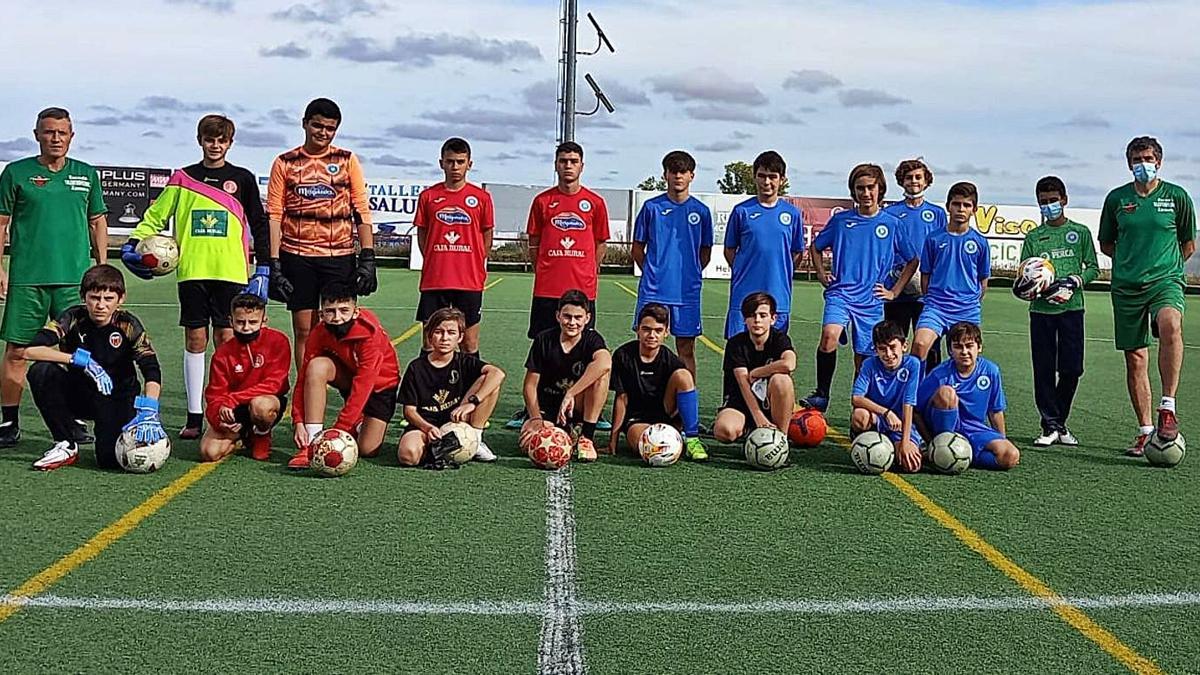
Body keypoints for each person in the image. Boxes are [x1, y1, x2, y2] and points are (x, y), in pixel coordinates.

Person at [122, 114, 270, 439]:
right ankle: (194, 415)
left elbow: (259, 224)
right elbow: (156, 216)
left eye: (221, 140)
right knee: (195, 341)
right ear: (200, 140)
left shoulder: (242, 179)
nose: (215, 145)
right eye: (209, 139)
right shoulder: (183, 178)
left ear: (230, 143)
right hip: (192, 273)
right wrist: (133, 243)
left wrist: (264, 266)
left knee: (227, 342)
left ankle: (232, 410)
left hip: (231, 271)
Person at [0, 107, 108, 448]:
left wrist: (101, 269)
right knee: (18, 351)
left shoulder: (86, 175)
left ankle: (70, 420)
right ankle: (8, 422)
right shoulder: (16, 173)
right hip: (27, 279)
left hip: (74, 281)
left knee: (75, 351)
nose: (56, 138)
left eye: (62, 132)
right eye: (49, 132)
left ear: (72, 136)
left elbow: (97, 222)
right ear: (37, 135)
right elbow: (1, 225)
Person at [1098, 136, 1195, 456]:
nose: (1144, 164)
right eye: (1137, 159)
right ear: (1129, 164)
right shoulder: (1116, 200)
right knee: (1136, 357)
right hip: (1126, 286)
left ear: (1160, 162)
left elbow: (1187, 243)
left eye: (1149, 158)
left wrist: (1163, 268)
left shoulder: (1178, 197)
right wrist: (1132, 263)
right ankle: (1144, 431)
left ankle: (1167, 407)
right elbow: (1107, 244)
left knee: (1169, 324)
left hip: (1165, 280)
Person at [266, 98, 377, 367]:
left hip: (338, 255)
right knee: (304, 329)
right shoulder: (285, 162)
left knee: (341, 327)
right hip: (297, 254)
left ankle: (344, 389)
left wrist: (368, 257)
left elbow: (361, 209)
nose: (323, 133)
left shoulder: (347, 160)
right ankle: (306, 388)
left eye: (330, 128)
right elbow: (274, 215)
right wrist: (274, 263)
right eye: (317, 126)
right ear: (305, 124)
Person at [507, 142, 610, 429]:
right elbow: (534, 243)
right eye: (563, 160)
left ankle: (589, 408)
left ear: (582, 166)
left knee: (585, 351)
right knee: (543, 349)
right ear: (556, 164)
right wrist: (546, 268)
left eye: (574, 161)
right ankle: (534, 408)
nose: (568, 166)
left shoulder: (595, 203)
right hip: (547, 290)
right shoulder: (542, 202)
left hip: (582, 290)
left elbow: (600, 242)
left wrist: (589, 268)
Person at [23, 265, 164, 471]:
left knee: (109, 460)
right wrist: (77, 360)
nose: (101, 305)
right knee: (41, 371)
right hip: (81, 392)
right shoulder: (72, 318)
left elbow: (150, 367)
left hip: (117, 396)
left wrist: (150, 406)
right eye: (94, 298)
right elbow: (29, 350)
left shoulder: (128, 324)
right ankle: (65, 443)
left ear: (121, 299)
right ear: (84, 297)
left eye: (108, 299)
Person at [801, 163, 915, 412]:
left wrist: (894, 291)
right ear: (853, 191)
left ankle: (859, 413)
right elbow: (816, 247)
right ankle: (821, 394)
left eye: (870, 188)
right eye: (860, 188)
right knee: (829, 335)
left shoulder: (893, 224)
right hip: (840, 294)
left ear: (880, 189)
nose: (865, 193)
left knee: (863, 361)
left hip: (871, 300)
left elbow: (912, 260)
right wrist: (821, 274)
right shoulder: (841, 221)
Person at [1020, 176, 1099, 448]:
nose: (1048, 205)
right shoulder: (1033, 237)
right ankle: (1051, 426)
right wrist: (1036, 288)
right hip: (1041, 312)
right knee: (1043, 369)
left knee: (1072, 369)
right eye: (1043, 202)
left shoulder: (1080, 232)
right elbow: (1025, 275)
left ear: (1064, 200)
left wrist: (1076, 281)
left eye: (1053, 200)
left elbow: (1093, 268)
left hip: (1072, 310)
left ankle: (1059, 421)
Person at [289, 282, 400, 468]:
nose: (337, 317)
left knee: (367, 449)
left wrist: (338, 432)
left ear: (355, 311)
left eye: (343, 310)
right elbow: (302, 380)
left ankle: (358, 424)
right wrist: (298, 420)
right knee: (316, 367)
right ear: (321, 313)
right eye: (330, 311)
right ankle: (311, 443)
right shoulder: (319, 332)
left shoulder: (370, 336)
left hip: (380, 387)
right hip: (349, 378)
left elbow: (363, 387)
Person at [630, 150, 713, 376]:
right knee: (647, 346)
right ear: (665, 175)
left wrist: (692, 272)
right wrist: (652, 272)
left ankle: (685, 404)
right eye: (673, 171)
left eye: (683, 172)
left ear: (691, 176)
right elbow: (637, 247)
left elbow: (705, 251)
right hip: (654, 290)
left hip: (686, 292)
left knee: (685, 349)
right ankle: (645, 400)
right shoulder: (651, 208)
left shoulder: (701, 212)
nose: (678, 176)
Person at [413, 137, 494, 356]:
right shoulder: (428, 196)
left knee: (468, 344)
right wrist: (435, 258)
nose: (455, 167)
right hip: (435, 280)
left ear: (469, 164)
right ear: (441, 163)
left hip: (469, 281)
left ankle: (469, 389)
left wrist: (474, 261)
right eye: (450, 161)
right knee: (431, 342)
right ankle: (427, 389)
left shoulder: (481, 198)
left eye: (460, 161)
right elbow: (423, 234)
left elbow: (487, 235)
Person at [397, 308, 505, 466]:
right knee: (408, 456)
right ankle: (436, 448)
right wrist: (427, 428)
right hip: (425, 426)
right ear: (430, 335)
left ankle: (474, 438)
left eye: (451, 332)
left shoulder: (464, 362)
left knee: (489, 381)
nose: (444, 338)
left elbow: (498, 374)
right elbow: (409, 411)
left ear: (460, 337)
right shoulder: (416, 367)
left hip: (457, 422)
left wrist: (472, 403)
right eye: (439, 332)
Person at [519, 290, 611, 462]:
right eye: (567, 316)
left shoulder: (592, 339)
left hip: (577, 404)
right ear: (558, 316)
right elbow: (530, 385)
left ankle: (586, 437)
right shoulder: (544, 340)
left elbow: (605, 362)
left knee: (601, 375)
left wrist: (571, 393)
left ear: (587, 318)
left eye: (578, 317)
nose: (572, 322)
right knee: (529, 443)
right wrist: (536, 418)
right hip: (549, 405)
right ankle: (565, 430)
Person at [607, 302, 707, 461]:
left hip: (664, 412)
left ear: (666, 332)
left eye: (658, 331)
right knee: (645, 447)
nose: (652, 335)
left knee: (684, 375)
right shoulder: (623, 355)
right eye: (646, 329)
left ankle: (692, 438)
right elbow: (621, 398)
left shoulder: (670, 360)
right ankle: (672, 440)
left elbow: (682, 393)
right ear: (638, 329)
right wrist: (613, 440)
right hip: (637, 418)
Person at [722, 150, 805, 339]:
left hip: (778, 294)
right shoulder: (741, 211)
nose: (767, 182)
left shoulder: (792, 214)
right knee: (738, 351)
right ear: (755, 177)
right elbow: (730, 249)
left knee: (773, 353)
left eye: (772, 177)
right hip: (744, 292)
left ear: (782, 179)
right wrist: (743, 270)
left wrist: (782, 273)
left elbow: (797, 252)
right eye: (762, 176)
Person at [199, 293, 291, 462]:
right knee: (209, 453)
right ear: (231, 321)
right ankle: (243, 435)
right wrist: (219, 419)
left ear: (264, 321)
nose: (246, 328)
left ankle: (262, 433)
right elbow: (214, 395)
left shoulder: (279, 341)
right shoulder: (222, 354)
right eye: (240, 322)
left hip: (266, 401)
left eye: (253, 322)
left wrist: (233, 399)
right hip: (235, 409)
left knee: (261, 407)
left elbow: (274, 384)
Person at [916, 321, 1020, 471]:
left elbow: (995, 411)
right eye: (958, 347)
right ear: (950, 351)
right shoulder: (939, 374)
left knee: (1010, 456)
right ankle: (941, 449)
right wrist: (930, 441)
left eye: (969, 346)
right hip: (944, 428)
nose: (964, 351)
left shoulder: (991, 371)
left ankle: (958, 456)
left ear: (979, 347)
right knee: (947, 393)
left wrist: (1001, 439)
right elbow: (916, 411)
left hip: (975, 429)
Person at [911, 182, 991, 365]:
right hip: (936, 308)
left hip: (966, 309)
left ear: (974, 209)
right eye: (956, 204)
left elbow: (983, 280)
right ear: (948, 206)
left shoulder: (980, 242)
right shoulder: (933, 238)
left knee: (966, 359)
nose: (961, 209)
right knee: (919, 345)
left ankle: (959, 393)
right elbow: (925, 275)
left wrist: (969, 301)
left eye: (967, 205)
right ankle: (914, 394)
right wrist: (931, 299)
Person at [883, 157, 947, 367]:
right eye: (908, 177)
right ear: (901, 181)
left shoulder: (937, 213)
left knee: (929, 346)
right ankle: (898, 391)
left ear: (926, 181)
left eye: (918, 177)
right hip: (897, 290)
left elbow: (943, 248)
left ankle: (928, 393)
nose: (914, 181)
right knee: (894, 343)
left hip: (926, 292)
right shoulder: (890, 213)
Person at [713, 292, 797, 443]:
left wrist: (758, 372)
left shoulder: (779, 339)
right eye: (752, 315)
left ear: (773, 319)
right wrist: (759, 418)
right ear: (745, 319)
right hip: (741, 402)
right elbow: (743, 384)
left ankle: (781, 440)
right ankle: (748, 430)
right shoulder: (736, 344)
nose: (757, 320)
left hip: (770, 404)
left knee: (782, 380)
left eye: (763, 315)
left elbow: (789, 364)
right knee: (724, 431)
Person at [850, 320, 923, 472]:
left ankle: (917, 448)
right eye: (882, 349)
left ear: (904, 346)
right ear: (875, 350)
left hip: (901, 424)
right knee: (859, 415)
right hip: (878, 418)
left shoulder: (912, 365)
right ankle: (862, 440)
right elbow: (856, 398)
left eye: (892, 347)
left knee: (910, 466)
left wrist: (905, 442)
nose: (888, 354)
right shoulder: (869, 364)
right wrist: (886, 413)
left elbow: (908, 404)